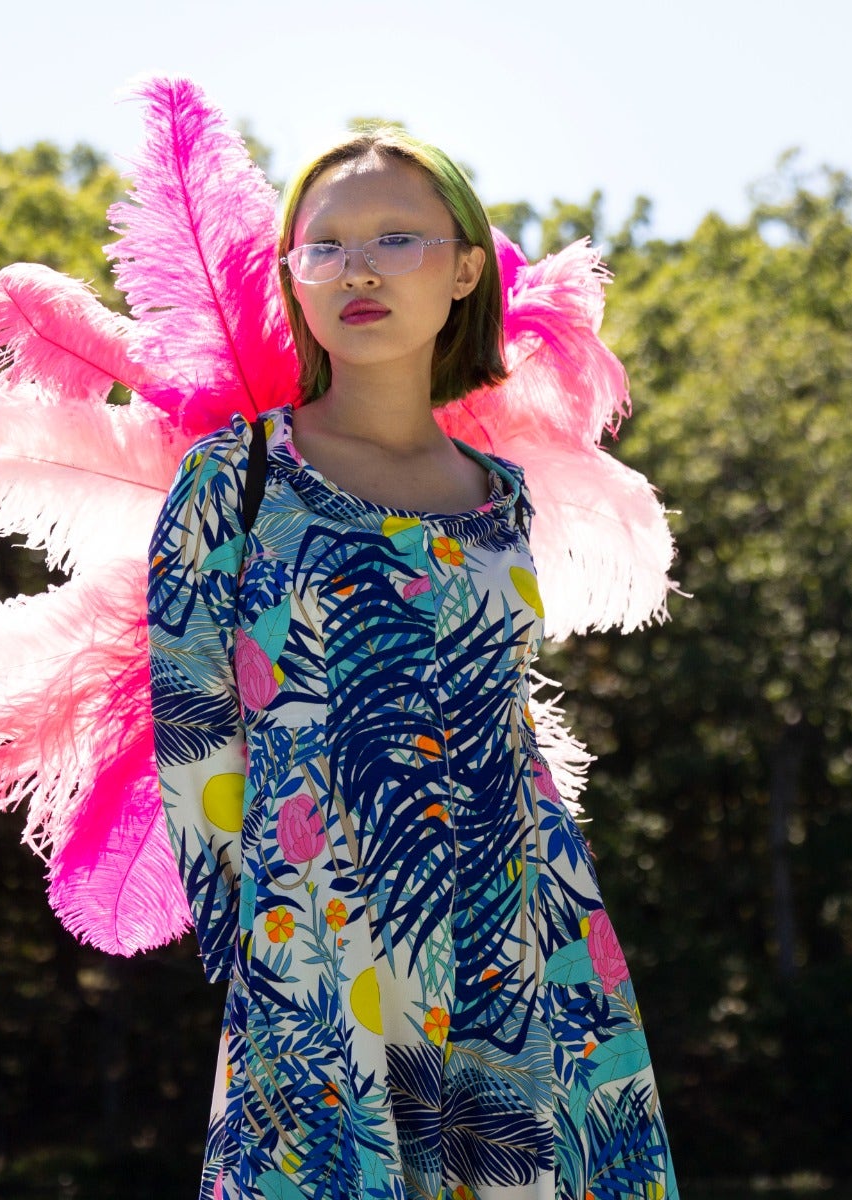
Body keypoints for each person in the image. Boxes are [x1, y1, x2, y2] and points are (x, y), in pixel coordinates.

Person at [147, 126, 678, 1200]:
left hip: (522, 915)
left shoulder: (503, 494)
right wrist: (255, 938)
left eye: (398, 236)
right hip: (322, 916)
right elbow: (190, 718)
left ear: (466, 267)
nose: (360, 268)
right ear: (293, 280)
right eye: (326, 246)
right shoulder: (235, 476)